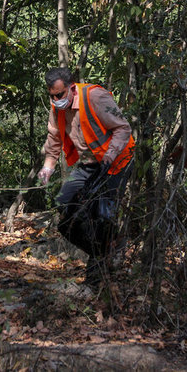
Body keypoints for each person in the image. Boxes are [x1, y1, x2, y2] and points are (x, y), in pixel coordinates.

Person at [38, 67, 134, 286]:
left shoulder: (95, 97)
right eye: (52, 96)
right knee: (65, 208)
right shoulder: (57, 107)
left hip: (117, 161)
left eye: (60, 95)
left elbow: (123, 128)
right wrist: (47, 168)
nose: (56, 100)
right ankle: (102, 252)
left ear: (71, 88)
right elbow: (54, 138)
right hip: (89, 163)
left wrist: (109, 155)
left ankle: (100, 263)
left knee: (104, 215)